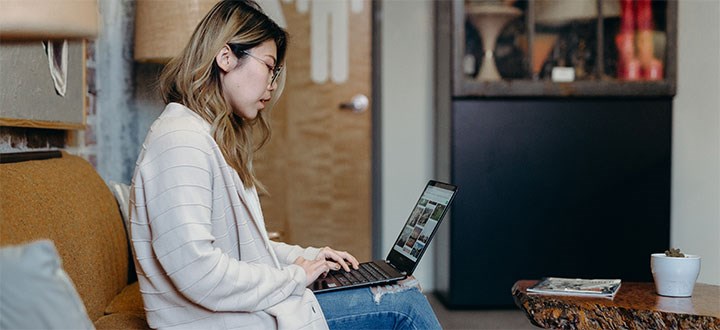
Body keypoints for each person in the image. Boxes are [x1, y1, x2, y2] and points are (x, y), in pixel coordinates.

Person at [129, 1, 441, 329]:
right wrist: (295, 277)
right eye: (268, 66)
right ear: (225, 57)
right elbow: (199, 271)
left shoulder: (201, 136)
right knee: (403, 304)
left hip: (238, 311)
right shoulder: (180, 142)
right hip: (220, 321)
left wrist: (303, 258)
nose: (273, 84)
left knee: (396, 287)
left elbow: (238, 251)